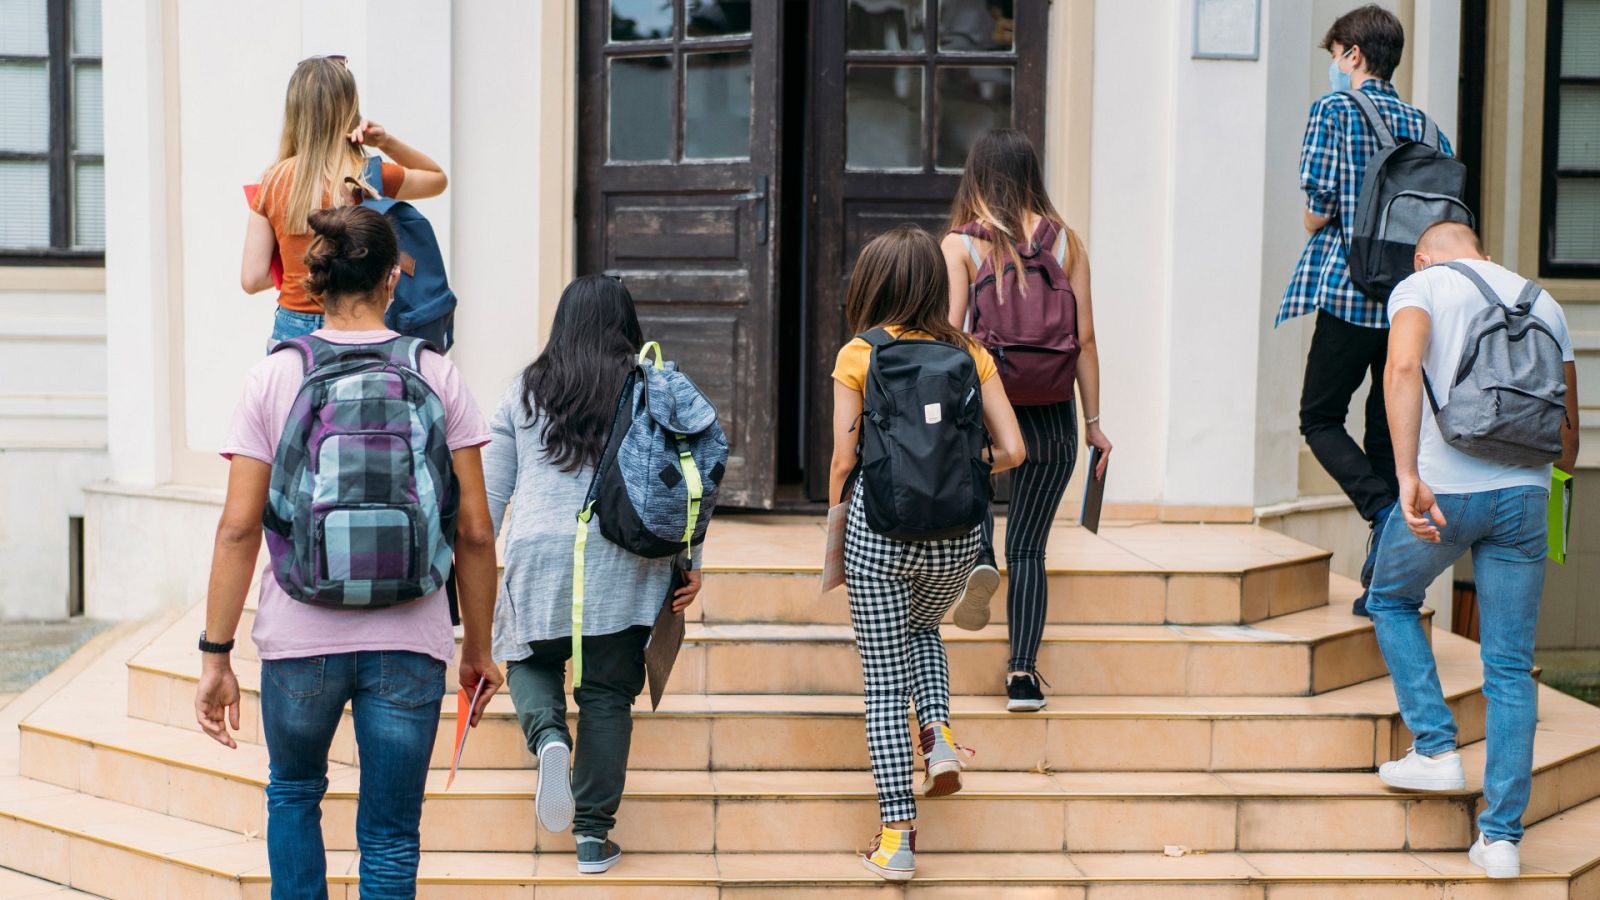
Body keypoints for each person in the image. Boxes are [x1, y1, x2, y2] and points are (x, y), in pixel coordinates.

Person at [195, 205, 502, 898]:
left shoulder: (272, 378)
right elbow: (476, 531)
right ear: (393, 281)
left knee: (294, 794)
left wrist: (215, 655)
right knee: (391, 838)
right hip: (411, 640)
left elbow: (238, 529)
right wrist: (478, 649)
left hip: (298, 639)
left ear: (314, 282)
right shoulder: (439, 376)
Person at [1368, 221, 1579, 879]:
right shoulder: (1544, 301)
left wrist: (1406, 476)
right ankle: (1502, 840)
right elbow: (1567, 429)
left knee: (1391, 596)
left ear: (1423, 254)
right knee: (1510, 666)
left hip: (1446, 489)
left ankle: (1434, 746)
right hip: (1525, 498)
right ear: (1484, 252)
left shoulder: (1422, 284)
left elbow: (1402, 366)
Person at [483, 275, 704, 876]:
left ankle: (549, 737)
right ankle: (592, 837)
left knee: (525, 653)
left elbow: (489, 497)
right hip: (624, 560)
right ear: (627, 323)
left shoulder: (522, 391)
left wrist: (474, 576)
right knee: (607, 693)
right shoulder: (654, 386)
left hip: (537, 553)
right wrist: (691, 564)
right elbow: (691, 480)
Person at [829, 225, 1026, 882]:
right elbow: (1015, 451)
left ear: (872, 286)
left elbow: (842, 460)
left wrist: (839, 521)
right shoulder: (971, 353)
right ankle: (938, 735)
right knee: (923, 629)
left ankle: (896, 839)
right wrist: (961, 473)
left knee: (885, 688)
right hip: (956, 541)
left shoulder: (859, 354)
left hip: (878, 536)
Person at [1277, 5, 1453, 616]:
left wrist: (1325, 209)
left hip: (1351, 291)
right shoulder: (1431, 130)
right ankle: (1381, 584)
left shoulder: (1334, 110)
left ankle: (1382, 510)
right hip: (1410, 305)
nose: (1333, 67)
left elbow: (1316, 207)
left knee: (1319, 417)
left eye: (1334, 55)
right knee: (1387, 436)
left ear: (1353, 54)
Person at [941, 128, 1111, 712]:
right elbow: (1084, 339)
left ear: (977, 175)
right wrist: (1094, 422)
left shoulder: (961, 245)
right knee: (1032, 547)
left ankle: (980, 555)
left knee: (977, 498)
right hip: (1054, 418)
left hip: (989, 413)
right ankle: (1022, 677)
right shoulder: (1067, 244)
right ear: (1032, 174)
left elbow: (954, 338)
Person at [242, 55, 448, 348]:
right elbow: (436, 178)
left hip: (293, 330)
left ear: (294, 112)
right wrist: (385, 142)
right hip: (358, 326)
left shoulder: (272, 181)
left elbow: (252, 278)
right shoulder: (367, 176)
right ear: (350, 108)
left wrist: (299, 265)